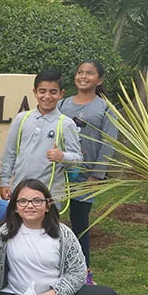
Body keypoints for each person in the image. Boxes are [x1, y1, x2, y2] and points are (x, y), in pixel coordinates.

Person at [0, 178, 121, 295]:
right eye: (23, 201)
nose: (30, 206)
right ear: (15, 207)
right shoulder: (2, 234)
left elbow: (77, 272)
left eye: (37, 201)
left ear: (47, 206)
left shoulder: (63, 234)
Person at [58, 60, 118, 280]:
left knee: (80, 223)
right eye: (80, 72)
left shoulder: (105, 108)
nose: (83, 76)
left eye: (90, 73)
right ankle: (57, 266)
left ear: (99, 80)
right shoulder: (62, 104)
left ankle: (83, 271)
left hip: (86, 177)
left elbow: (109, 142)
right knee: (53, 220)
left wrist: (97, 175)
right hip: (60, 174)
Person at [0, 68, 83, 207]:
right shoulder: (22, 119)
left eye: (53, 92)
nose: (47, 96)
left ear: (61, 94)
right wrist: (5, 181)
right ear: (35, 92)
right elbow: (10, 153)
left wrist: (62, 156)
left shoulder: (66, 124)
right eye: (42, 91)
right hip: (20, 191)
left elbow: (78, 159)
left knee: (46, 229)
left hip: (50, 196)